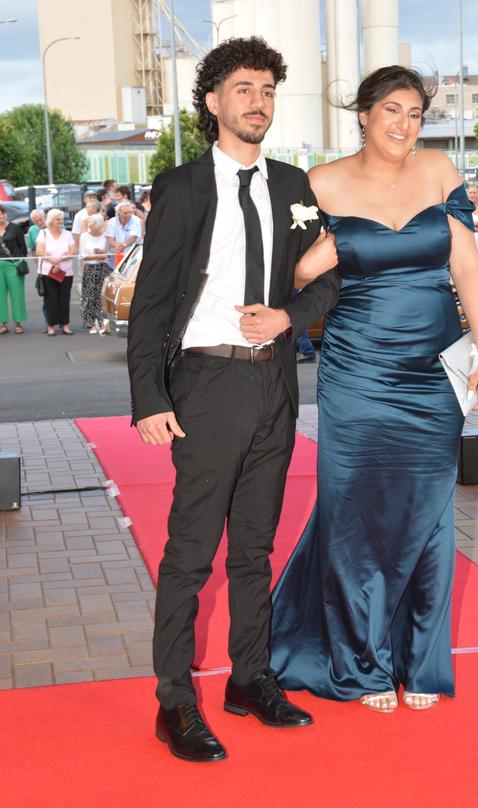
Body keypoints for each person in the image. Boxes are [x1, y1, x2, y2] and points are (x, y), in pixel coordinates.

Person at [127, 37, 339, 763]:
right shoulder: (183, 187)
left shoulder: (292, 185)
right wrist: (148, 395)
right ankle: (175, 702)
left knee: (254, 548)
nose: (259, 102)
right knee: (190, 555)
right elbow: (151, 303)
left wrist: (291, 315)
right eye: (244, 89)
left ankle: (249, 678)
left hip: (273, 382)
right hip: (207, 384)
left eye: (269, 90)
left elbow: (330, 276)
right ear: (213, 102)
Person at [270, 65, 478, 713]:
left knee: (429, 515)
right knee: (355, 514)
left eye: (416, 113)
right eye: (391, 110)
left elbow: (469, 272)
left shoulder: (439, 174)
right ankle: (363, 663)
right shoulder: (322, 183)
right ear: (364, 113)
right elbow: (298, 275)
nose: (403, 124)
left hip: (437, 367)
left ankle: (422, 662)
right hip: (358, 370)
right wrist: (330, 249)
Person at [36, 208, 75, 335]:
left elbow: (72, 251)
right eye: (58, 219)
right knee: (50, 299)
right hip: (48, 271)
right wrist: (54, 261)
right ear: (51, 221)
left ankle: (65, 325)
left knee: (64, 298)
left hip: (66, 271)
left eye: (62, 219)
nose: (61, 221)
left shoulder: (68, 234)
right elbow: (40, 250)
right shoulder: (43, 233)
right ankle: (51, 326)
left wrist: (60, 260)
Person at [79, 213, 112, 334]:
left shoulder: (105, 236)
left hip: (103, 267)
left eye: (94, 227)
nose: (92, 229)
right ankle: (90, 322)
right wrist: (98, 255)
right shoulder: (84, 236)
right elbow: (82, 256)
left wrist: (103, 253)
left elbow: (110, 253)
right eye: (91, 226)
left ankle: (103, 321)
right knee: (89, 296)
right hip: (90, 268)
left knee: (101, 296)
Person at [0, 204, 28, 334]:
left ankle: (18, 323)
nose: (0, 215)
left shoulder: (15, 228)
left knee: (17, 295)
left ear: (5, 214)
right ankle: (3, 324)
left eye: (2, 212)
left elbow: (23, 247)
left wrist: (19, 261)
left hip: (13, 265)